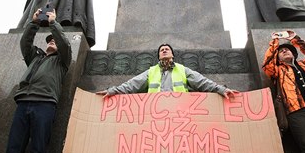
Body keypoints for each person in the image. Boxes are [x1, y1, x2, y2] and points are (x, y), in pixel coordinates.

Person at [3, 8, 72, 153]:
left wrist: (53, 23)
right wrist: (33, 22)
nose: (51, 41)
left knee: (38, 151)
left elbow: (64, 43)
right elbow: (25, 43)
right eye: (49, 40)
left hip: (45, 104)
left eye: (54, 40)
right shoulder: (35, 57)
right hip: (23, 104)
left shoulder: (62, 61)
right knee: (13, 150)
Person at [97, 43, 238, 98]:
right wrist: (113, 90)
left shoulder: (182, 70)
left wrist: (221, 89)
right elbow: (131, 85)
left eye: (167, 49)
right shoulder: (151, 71)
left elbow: (203, 82)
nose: (164, 51)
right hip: (155, 114)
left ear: (172, 54)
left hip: (180, 114)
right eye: (161, 50)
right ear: (159, 56)